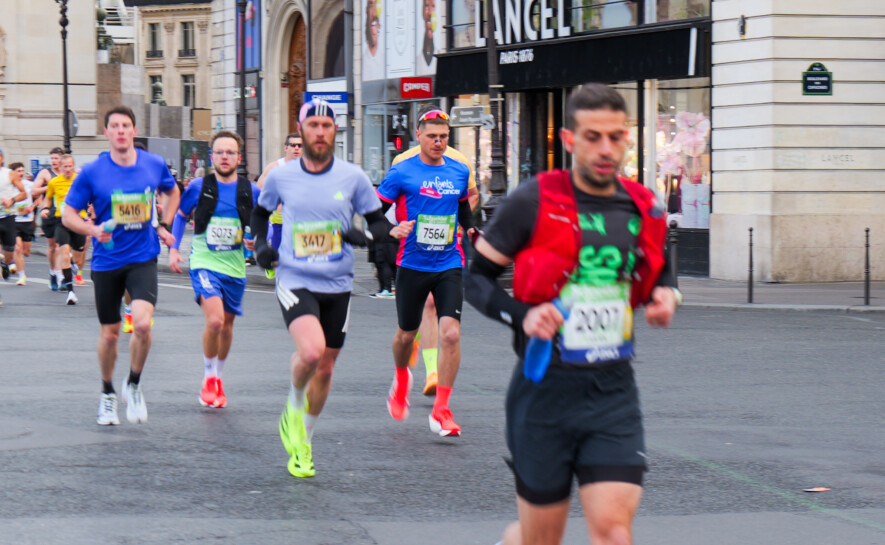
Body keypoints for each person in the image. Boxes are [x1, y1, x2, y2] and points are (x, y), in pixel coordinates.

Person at [464, 83, 681, 545]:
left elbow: (659, 264)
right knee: (540, 539)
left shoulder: (642, 204)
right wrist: (521, 315)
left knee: (614, 532)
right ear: (568, 139)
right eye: (592, 137)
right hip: (544, 393)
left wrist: (666, 293)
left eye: (615, 137)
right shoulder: (532, 201)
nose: (606, 149)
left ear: (627, 138)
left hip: (613, 392)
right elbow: (476, 278)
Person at [250, 99, 401, 478]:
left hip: (338, 283)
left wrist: (364, 236)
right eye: (313, 125)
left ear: (335, 131)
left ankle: (304, 439)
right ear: (301, 131)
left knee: (327, 366)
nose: (320, 132)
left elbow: (379, 224)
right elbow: (260, 213)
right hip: (295, 277)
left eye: (326, 126)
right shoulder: (282, 177)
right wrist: (261, 245)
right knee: (312, 351)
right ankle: (293, 404)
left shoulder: (353, 177)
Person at [62, 105, 180, 426]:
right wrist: (92, 230)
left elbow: (173, 192)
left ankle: (135, 384)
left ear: (134, 130)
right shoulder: (92, 172)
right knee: (111, 334)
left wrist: (165, 224)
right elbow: (68, 214)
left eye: (126, 125)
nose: (121, 131)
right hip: (107, 261)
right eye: (114, 126)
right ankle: (107, 394)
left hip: (143, 257)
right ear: (106, 133)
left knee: (142, 325)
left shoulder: (153, 164)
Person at [376, 108, 477, 437]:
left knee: (452, 334)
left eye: (443, 137)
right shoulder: (402, 171)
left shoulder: (459, 170)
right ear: (418, 135)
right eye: (432, 136)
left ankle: (442, 410)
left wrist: (471, 229)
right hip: (412, 263)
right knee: (406, 335)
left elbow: (463, 207)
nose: (438, 142)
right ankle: (401, 377)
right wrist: (391, 229)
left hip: (449, 263)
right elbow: (374, 213)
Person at [168, 130, 260, 408]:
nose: (224, 157)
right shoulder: (199, 186)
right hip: (204, 263)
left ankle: (218, 376)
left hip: (235, 266)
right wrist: (173, 249)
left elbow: (262, 221)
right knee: (216, 321)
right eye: (219, 152)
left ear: (239, 158)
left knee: (227, 326)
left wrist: (257, 240)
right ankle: (209, 377)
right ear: (211, 157)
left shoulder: (251, 190)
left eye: (230, 152)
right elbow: (181, 215)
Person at [42, 155, 87, 304]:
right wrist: (45, 208)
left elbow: (90, 196)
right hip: (62, 221)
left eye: (70, 166)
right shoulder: (54, 182)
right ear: (60, 168)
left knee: (78, 259)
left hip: (78, 222)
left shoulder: (80, 180)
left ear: (73, 166)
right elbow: (48, 197)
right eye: (65, 166)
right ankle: (70, 292)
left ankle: (73, 262)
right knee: (64, 254)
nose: (67, 169)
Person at [257, 133, 303, 279]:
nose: (296, 148)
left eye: (300, 145)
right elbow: (259, 187)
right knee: (278, 246)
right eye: (293, 145)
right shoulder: (276, 167)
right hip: (280, 216)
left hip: (301, 217)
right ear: (286, 148)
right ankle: (272, 263)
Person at [31, 147, 64, 291]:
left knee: (60, 246)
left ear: (62, 159)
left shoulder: (66, 173)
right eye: (52, 158)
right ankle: (53, 273)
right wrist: (49, 187)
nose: (54, 161)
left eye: (56, 158)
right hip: (48, 212)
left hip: (63, 213)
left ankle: (61, 276)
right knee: (52, 247)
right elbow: (34, 191)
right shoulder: (45, 173)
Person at [0, 153, 27, 291]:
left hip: (8, 217)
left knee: (9, 252)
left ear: (2, 158)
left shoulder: (10, 174)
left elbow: (24, 193)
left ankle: (5, 264)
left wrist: (12, 200)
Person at [10, 163, 36, 285]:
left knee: (26, 252)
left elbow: (39, 197)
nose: (21, 173)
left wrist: (33, 206)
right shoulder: (9, 186)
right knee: (17, 248)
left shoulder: (29, 185)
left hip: (27, 222)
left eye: (22, 171)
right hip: (14, 221)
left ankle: (14, 262)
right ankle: (22, 276)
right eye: (18, 171)